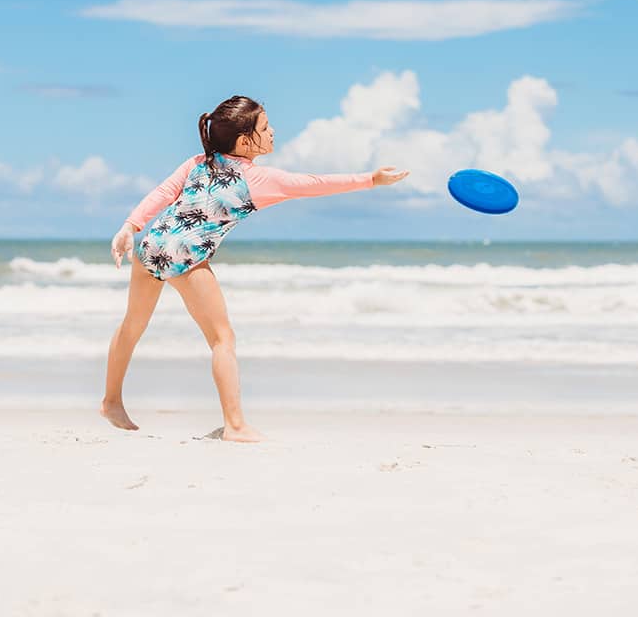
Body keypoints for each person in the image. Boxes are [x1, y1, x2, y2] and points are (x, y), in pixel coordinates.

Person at [102, 96, 410, 442]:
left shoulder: (196, 163)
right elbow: (314, 184)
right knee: (222, 339)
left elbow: (162, 194)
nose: (273, 131)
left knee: (132, 325)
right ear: (245, 141)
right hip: (187, 261)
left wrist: (130, 226)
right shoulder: (259, 180)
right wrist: (371, 179)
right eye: (265, 127)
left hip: (150, 248)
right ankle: (234, 426)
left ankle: (111, 401)